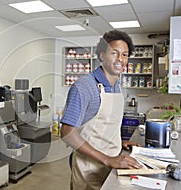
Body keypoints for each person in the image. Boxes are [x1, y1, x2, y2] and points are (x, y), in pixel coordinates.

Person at [60, 30, 143, 190]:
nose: (121, 59)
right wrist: (107, 159)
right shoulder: (85, 87)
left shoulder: (117, 86)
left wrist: (120, 143)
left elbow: (105, 126)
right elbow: (67, 133)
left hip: (113, 164)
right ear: (102, 55)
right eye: (115, 53)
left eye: (125, 55)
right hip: (89, 170)